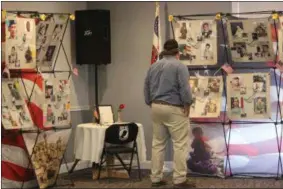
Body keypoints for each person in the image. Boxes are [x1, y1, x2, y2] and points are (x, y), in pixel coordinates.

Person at [144, 39, 194, 188]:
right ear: (177, 52)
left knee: (157, 144)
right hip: (174, 108)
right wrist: (187, 104)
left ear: (164, 51)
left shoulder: (153, 66)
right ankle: (179, 179)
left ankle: (156, 178)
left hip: (156, 106)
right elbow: (184, 88)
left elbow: (146, 88)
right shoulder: (180, 66)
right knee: (179, 144)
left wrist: (150, 102)